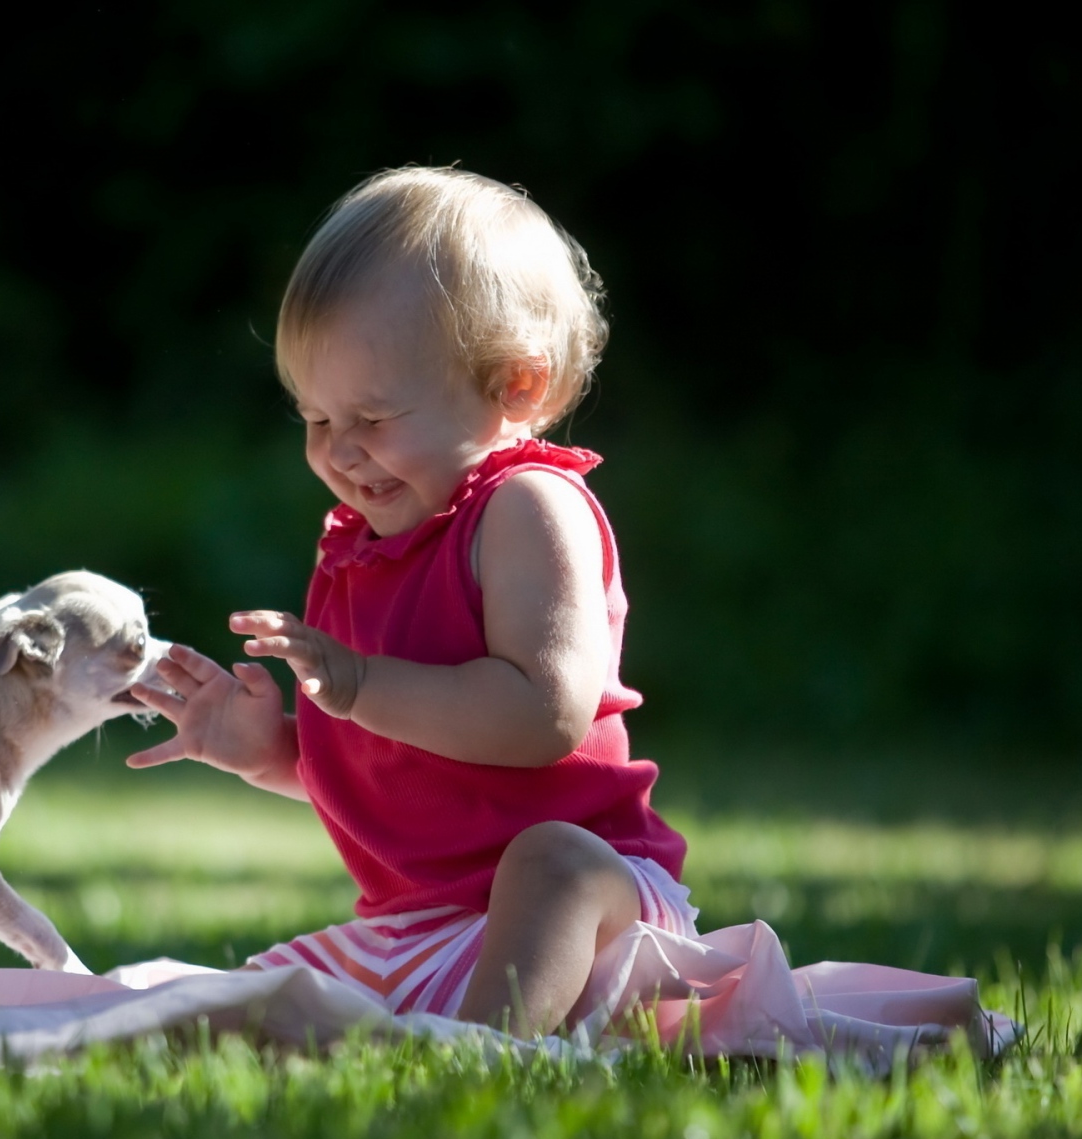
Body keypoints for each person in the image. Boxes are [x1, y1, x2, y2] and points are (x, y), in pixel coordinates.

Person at [126, 166, 691, 1036]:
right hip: (426, 932)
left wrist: (356, 685)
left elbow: (544, 715)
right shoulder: (361, 545)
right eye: (315, 420)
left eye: (374, 417)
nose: (341, 452)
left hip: (593, 922)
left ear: (518, 386)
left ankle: (488, 1054)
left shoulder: (526, 507)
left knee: (552, 865)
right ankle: (459, 1032)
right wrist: (272, 751)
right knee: (225, 1018)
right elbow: (400, 771)